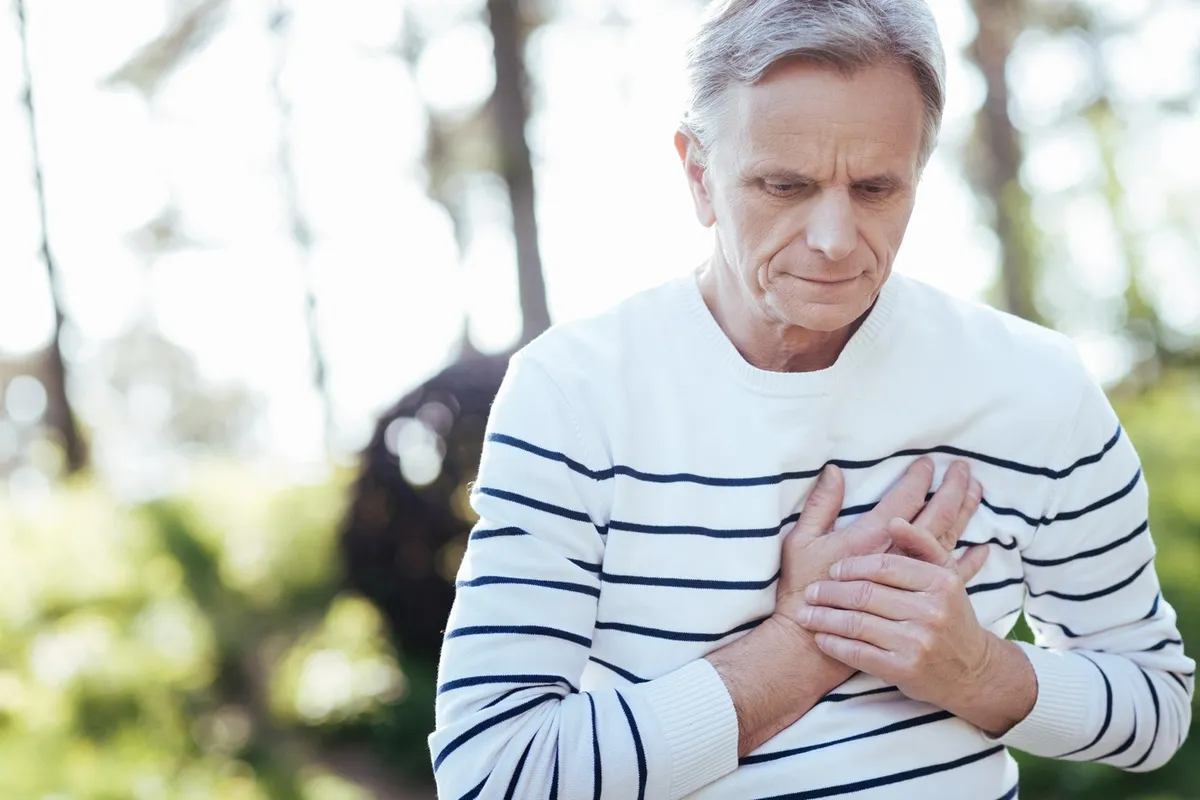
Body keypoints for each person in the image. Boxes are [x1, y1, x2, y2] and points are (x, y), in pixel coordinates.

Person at [427, 0, 1194, 796]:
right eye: (784, 185)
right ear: (699, 174)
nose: (832, 238)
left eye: (874, 188)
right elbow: (495, 773)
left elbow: (1157, 708)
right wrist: (805, 645)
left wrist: (977, 670)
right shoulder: (574, 393)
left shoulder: (1035, 387)